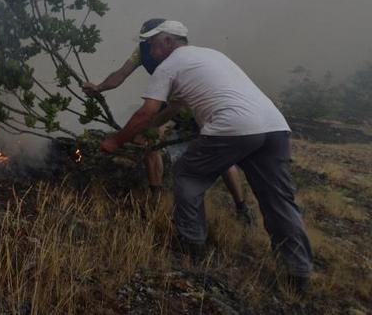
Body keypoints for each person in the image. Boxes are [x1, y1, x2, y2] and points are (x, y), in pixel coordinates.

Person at [100, 20, 313, 291]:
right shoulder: (213, 55)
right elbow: (175, 106)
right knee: (278, 199)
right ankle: (299, 272)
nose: (149, 50)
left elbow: (147, 112)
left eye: (152, 43)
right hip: (274, 127)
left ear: (168, 41)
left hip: (234, 125)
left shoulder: (169, 65)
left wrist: (116, 141)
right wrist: (151, 129)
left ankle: (192, 248)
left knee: (187, 175)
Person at [85, 19, 253, 224]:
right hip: (170, 100)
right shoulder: (141, 51)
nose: (149, 45)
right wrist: (99, 87)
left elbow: (177, 105)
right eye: (146, 40)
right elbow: (121, 74)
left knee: (221, 155)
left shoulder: (180, 55)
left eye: (151, 40)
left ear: (165, 39)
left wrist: (151, 125)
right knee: (147, 142)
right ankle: (156, 196)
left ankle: (241, 207)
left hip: (193, 102)